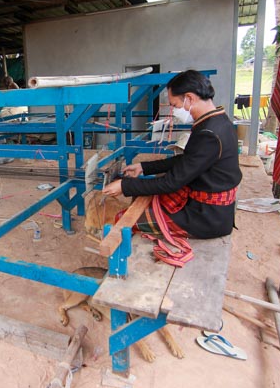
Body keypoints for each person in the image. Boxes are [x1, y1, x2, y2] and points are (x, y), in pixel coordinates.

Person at [102, 70, 242, 263]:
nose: (175, 111)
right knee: (147, 196)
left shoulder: (209, 133)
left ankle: (124, 268)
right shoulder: (218, 121)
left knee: (125, 219)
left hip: (207, 217)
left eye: (175, 105)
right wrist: (143, 167)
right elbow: (187, 160)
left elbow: (172, 182)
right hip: (208, 208)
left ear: (190, 98)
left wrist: (124, 186)